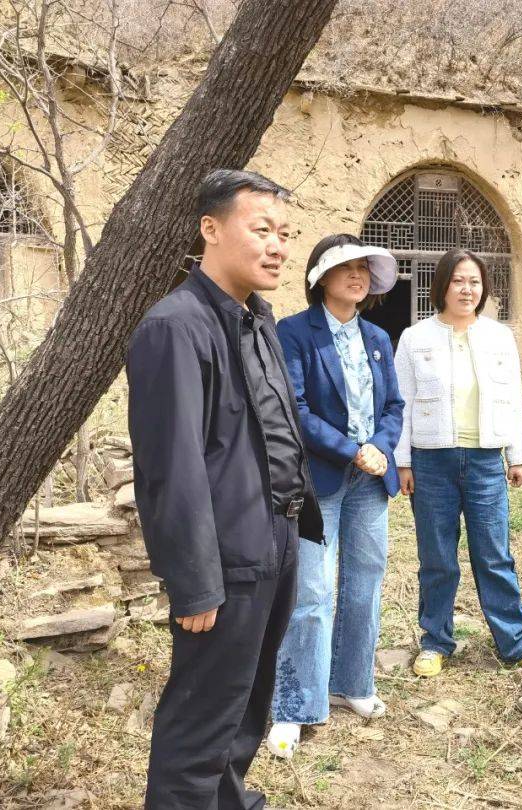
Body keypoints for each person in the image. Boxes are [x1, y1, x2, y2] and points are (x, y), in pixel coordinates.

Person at [127, 169, 322, 809]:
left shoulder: (257, 318)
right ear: (210, 229)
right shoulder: (176, 326)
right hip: (226, 553)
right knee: (201, 721)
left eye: (285, 234)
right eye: (260, 229)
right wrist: (194, 580)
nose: (278, 247)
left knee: (246, 706)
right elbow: (171, 468)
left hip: (275, 535)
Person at [265, 234, 404, 758]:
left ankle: (353, 684)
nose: (358, 275)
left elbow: (393, 404)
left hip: (373, 478)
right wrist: (352, 450)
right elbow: (294, 409)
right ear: (320, 276)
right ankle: (295, 705)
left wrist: (380, 447)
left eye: (365, 268)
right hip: (321, 478)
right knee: (313, 590)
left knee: (366, 581)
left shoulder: (377, 336)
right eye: (346, 267)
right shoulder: (295, 333)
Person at [394, 248, 522, 677]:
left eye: (475, 282)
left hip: (486, 459)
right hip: (431, 462)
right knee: (437, 555)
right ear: (442, 285)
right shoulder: (415, 338)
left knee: (493, 553)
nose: (467, 289)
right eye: (459, 281)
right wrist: (403, 461)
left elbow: (512, 400)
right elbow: (401, 404)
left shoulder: (499, 337)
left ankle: (516, 642)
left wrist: (516, 454)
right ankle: (435, 641)